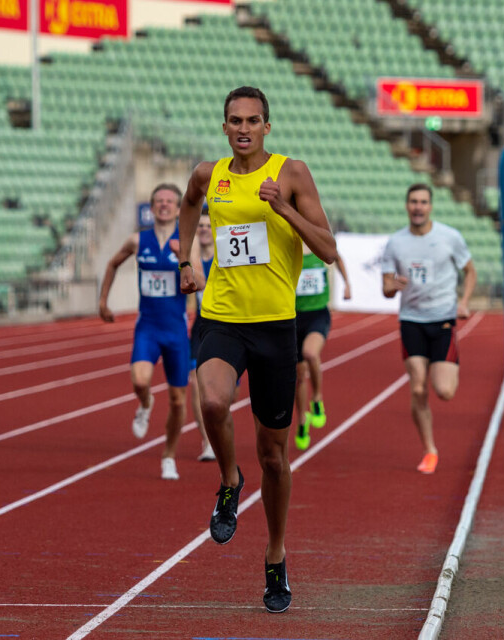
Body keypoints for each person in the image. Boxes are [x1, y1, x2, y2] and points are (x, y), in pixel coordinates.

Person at [178, 86, 338, 613]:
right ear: (224, 127)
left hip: (275, 328)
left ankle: (275, 555)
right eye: (234, 120)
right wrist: (186, 261)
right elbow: (188, 204)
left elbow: (328, 250)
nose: (243, 127)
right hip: (222, 317)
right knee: (212, 403)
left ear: (268, 126)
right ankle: (228, 478)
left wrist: (283, 209)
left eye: (252, 119)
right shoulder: (209, 174)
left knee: (274, 456)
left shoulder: (292, 174)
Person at [99, 183, 205, 481]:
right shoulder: (137, 240)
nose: (164, 205)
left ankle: (169, 456)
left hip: (175, 330)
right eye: (159, 200)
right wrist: (103, 301)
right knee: (139, 380)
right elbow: (112, 264)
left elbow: (202, 281)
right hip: (147, 327)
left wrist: (183, 259)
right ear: (151, 205)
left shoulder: (187, 240)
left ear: (178, 207)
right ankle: (145, 403)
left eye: (170, 201)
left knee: (177, 400)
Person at [381, 183, 476, 474]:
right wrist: (392, 286)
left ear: (430, 206)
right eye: (413, 201)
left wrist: (464, 302)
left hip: (444, 319)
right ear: (407, 205)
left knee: (444, 391)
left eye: (423, 202)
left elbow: (470, 271)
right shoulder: (395, 243)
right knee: (418, 387)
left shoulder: (449, 237)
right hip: (411, 320)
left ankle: (444, 371)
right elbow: (385, 288)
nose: (418, 207)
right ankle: (430, 450)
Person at [293, 248, 351, 450]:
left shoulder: (317, 244)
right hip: (292, 317)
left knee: (310, 353)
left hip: (317, 315)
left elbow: (338, 257)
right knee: (298, 376)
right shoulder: (288, 244)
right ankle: (301, 420)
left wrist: (347, 285)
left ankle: (317, 397)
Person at [189, 209, 218, 462]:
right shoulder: (190, 258)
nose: (204, 229)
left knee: (225, 395)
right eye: (199, 226)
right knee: (195, 383)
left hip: (226, 327)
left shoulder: (224, 256)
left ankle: (218, 431)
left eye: (208, 225)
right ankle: (207, 442)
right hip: (201, 327)